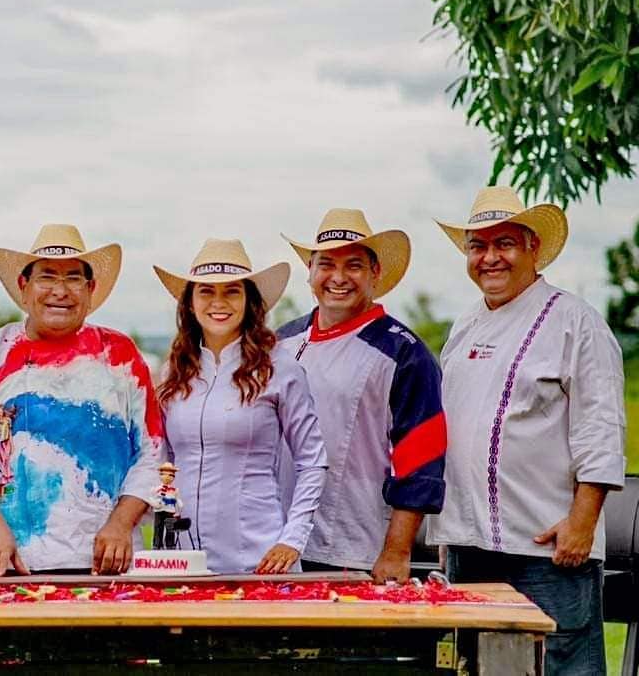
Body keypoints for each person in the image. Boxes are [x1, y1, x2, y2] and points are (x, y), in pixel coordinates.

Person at [427, 186, 625, 675]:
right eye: (478, 246)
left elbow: (600, 427)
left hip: (548, 546)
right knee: (478, 665)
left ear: (533, 247)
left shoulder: (575, 321)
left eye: (505, 243)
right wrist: (447, 528)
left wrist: (582, 522)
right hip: (471, 547)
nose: (490, 257)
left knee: (558, 663)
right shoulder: (464, 327)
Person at [0, 224, 163, 576]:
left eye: (74, 278)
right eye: (47, 277)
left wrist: (122, 524)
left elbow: (152, 456)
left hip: (109, 565)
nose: (60, 291)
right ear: (24, 288)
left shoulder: (120, 355)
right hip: (12, 562)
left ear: (90, 290)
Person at [277, 209, 446, 582]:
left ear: (375, 273)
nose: (338, 278)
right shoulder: (280, 342)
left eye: (353, 265)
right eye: (326, 265)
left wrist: (396, 551)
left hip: (355, 549)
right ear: (310, 271)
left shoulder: (405, 353)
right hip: (277, 542)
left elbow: (420, 462)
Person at [155, 238, 328, 574]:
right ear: (189, 302)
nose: (218, 302)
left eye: (232, 291)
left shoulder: (280, 369)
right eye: (206, 291)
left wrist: (292, 539)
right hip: (182, 559)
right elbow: (165, 462)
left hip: (259, 557)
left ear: (249, 301)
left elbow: (313, 462)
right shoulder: (173, 373)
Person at [150, 462, 184, 550]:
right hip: (159, 511)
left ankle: (170, 545)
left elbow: (177, 500)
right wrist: (155, 504)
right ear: (160, 475)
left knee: (170, 528)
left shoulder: (175, 490)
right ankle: (157, 545)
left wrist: (179, 509)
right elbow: (150, 498)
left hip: (170, 510)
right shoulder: (156, 489)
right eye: (164, 474)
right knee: (158, 528)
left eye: (171, 475)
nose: (168, 477)